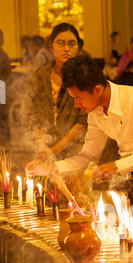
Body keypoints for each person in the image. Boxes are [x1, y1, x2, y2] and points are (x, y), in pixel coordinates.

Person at [26, 54, 133, 213]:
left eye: (78, 98)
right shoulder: (95, 114)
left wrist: (116, 166)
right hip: (130, 181)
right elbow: (89, 156)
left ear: (97, 90)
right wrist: (51, 168)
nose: (77, 105)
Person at [24, 23, 87, 160]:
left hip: (76, 151)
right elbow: (31, 114)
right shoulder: (40, 75)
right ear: (51, 46)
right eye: (60, 43)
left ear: (78, 47)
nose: (66, 49)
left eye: (72, 44)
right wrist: (42, 146)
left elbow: (83, 122)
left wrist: (54, 150)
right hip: (43, 148)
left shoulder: (85, 77)